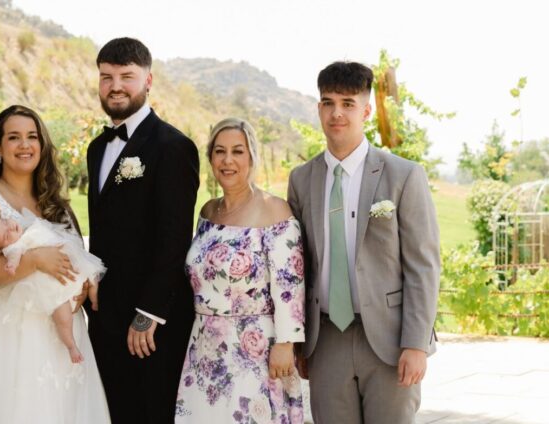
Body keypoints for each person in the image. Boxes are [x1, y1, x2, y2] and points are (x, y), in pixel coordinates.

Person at [287, 62, 440, 423]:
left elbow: (423, 266)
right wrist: (295, 339)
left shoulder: (404, 175)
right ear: (319, 108)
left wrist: (415, 344)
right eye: (327, 103)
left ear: (366, 110)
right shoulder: (301, 179)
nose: (336, 112)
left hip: (389, 340)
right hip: (325, 339)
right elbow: (296, 265)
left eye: (348, 103)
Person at [0, 104, 110, 424]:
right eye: (14, 137)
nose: (25, 145)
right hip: (13, 331)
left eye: (32, 136)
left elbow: (74, 256)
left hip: (64, 333)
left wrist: (83, 284)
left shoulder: (55, 203)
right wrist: (35, 260)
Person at [86, 37, 200, 423]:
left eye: (126, 77)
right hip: (104, 316)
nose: (115, 86)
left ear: (148, 80)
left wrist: (148, 313)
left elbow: (174, 239)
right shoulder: (97, 148)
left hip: (149, 323)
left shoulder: (172, 146)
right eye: (106, 77)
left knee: (151, 413)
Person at [175, 118, 305, 423]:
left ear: (252, 157)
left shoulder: (275, 209)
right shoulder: (207, 211)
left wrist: (286, 344)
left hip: (255, 350)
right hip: (204, 347)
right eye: (219, 152)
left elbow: (290, 282)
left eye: (238, 151)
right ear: (210, 159)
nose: (227, 160)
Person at [0, 212, 105, 363]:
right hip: (51, 283)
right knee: (62, 314)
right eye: (5, 236)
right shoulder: (15, 247)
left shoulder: (25, 225)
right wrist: (11, 265)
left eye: (4, 222)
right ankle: (71, 345)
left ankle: (94, 295)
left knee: (89, 269)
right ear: (2, 249)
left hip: (65, 255)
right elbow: (13, 258)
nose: (9, 229)